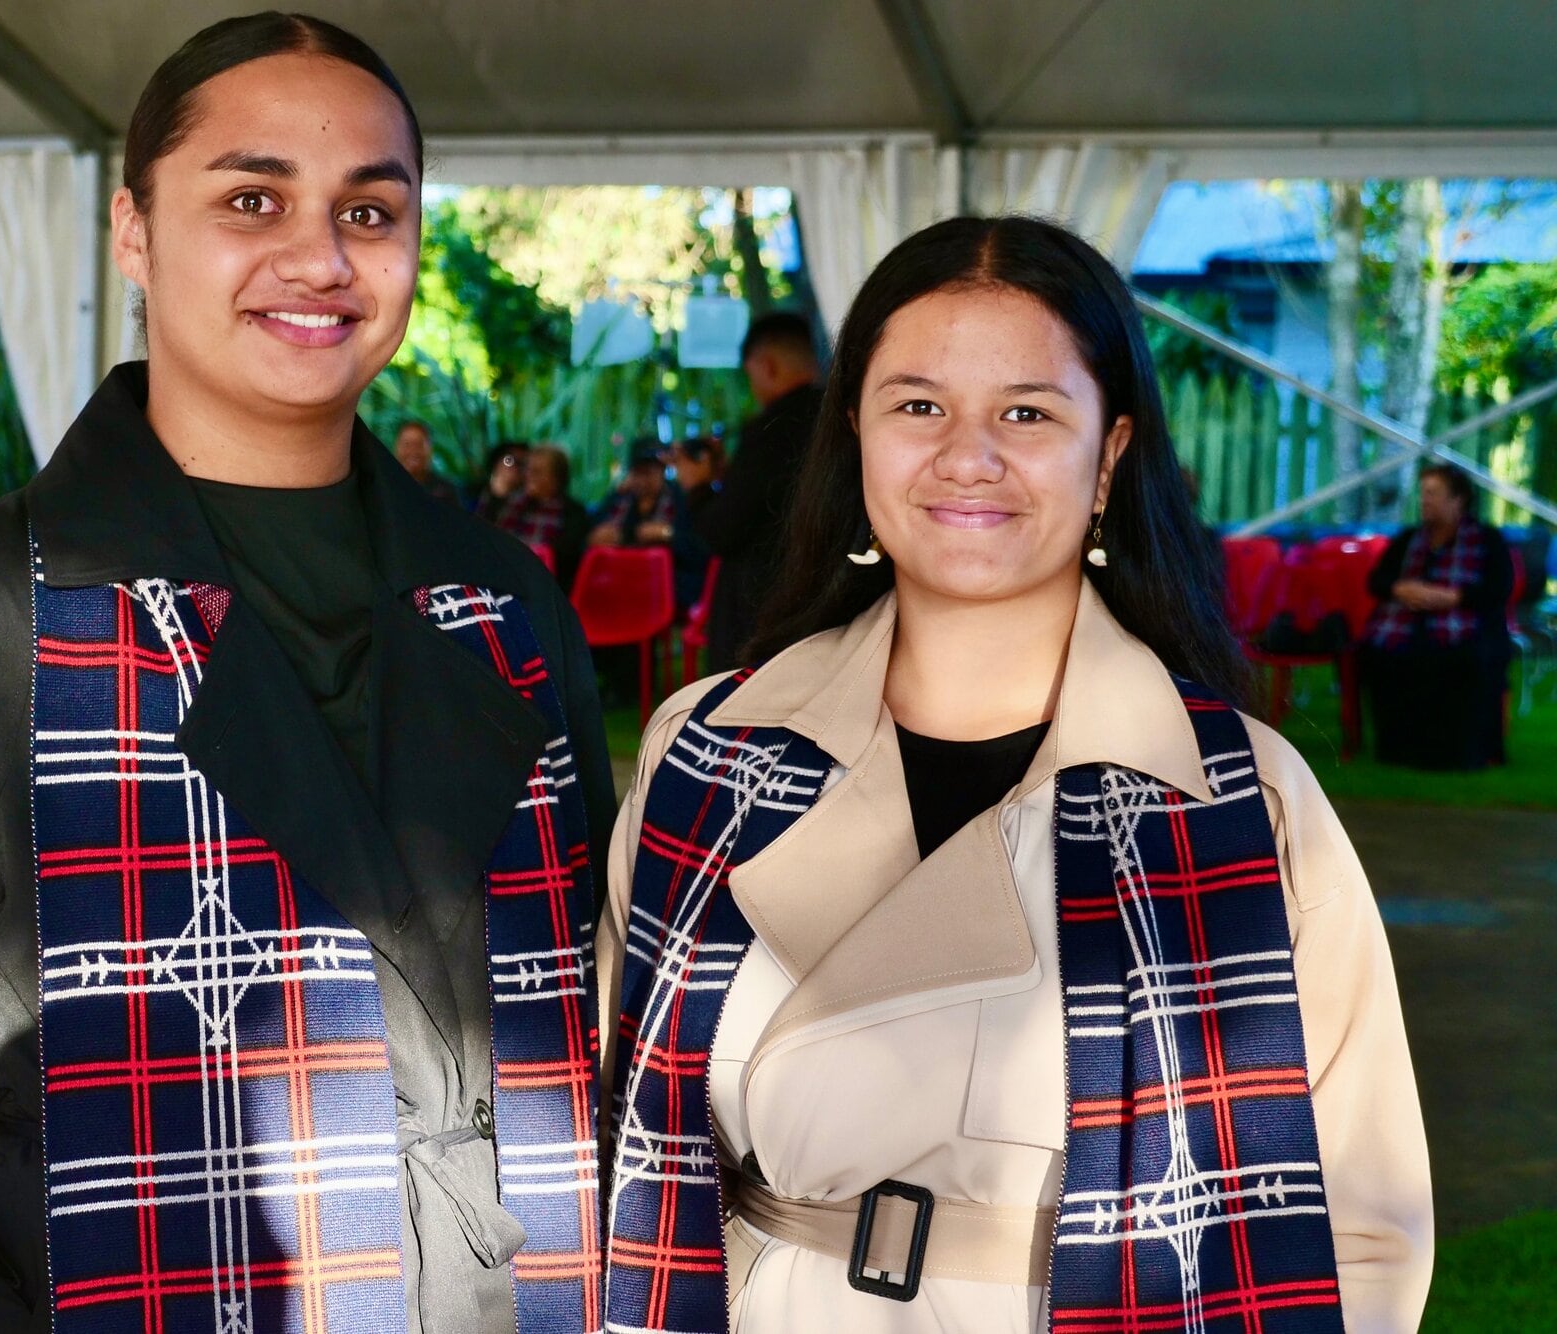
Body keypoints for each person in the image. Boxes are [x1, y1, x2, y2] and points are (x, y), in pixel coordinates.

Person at [0, 15, 614, 1334]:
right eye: (252, 197)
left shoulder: (503, 602)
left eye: (370, 207)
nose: (319, 254)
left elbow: (588, 1006)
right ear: (133, 231)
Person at [599, 217, 1431, 1334]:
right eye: (916, 404)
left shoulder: (1240, 798)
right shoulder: (704, 751)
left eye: (1026, 412)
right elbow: (606, 1124)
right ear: (852, 436)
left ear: (1111, 453)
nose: (965, 454)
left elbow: (1361, 1224)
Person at [1360, 462, 1516, 769]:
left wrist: (1454, 597)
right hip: (1407, 625)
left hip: (1466, 629)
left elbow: (1498, 589)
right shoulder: (1408, 539)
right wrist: (1401, 590)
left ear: (1457, 500)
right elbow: (1377, 581)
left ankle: (1459, 755)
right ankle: (1398, 751)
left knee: (1467, 660)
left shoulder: (1486, 540)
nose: (1425, 501)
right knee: (1382, 654)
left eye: (1433, 494)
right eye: (1423, 494)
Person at [694, 310, 823, 669]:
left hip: (763, 602)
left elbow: (724, 528)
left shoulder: (772, 429)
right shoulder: (839, 417)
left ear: (766, 366)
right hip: (825, 598)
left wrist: (698, 488)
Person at [590, 438, 709, 611]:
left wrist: (667, 534)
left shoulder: (680, 499)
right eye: (639, 471)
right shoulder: (620, 498)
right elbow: (589, 536)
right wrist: (596, 538)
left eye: (650, 471)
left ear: (661, 471)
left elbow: (697, 551)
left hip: (665, 587)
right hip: (618, 584)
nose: (643, 480)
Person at [496, 444, 590, 587]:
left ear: (556, 479)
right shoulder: (514, 504)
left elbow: (565, 557)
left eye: (537, 472)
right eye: (528, 470)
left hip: (549, 585)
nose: (529, 476)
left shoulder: (573, 512)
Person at [392, 417, 461, 507]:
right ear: (396, 448)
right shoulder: (383, 487)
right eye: (407, 444)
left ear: (430, 450)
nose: (413, 451)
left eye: (419, 445)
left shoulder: (445, 491)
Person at [473, 439, 526, 522]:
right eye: (509, 460)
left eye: (522, 464)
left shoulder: (525, 506)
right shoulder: (471, 493)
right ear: (496, 460)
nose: (516, 467)